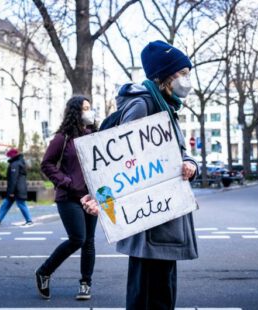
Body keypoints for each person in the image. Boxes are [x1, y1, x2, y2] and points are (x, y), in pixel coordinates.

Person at [81, 40, 198, 310]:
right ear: (164, 77)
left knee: (161, 290)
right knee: (150, 293)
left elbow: (180, 151)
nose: (186, 80)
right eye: (181, 73)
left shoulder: (166, 106)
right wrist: (101, 195)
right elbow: (120, 159)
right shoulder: (144, 105)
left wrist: (190, 163)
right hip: (150, 218)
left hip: (163, 213)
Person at [35, 96, 98, 301]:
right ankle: (44, 272)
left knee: (89, 241)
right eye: (84, 109)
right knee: (78, 238)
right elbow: (47, 164)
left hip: (91, 197)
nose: (89, 112)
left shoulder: (95, 135)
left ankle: (85, 284)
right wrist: (66, 181)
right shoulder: (63, 138)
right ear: (75, 112)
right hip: (69, 197)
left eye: (90, 108)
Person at [0, 148, 33, 227]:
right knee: (6, 204)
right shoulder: (20, 162)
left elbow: (13, 179)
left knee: (21, 204)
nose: (8, 158)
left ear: (12, 156)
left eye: (9, 156)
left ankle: (29, 221)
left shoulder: (14, 165)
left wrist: (11, 192)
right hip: (19, 188)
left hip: (16, 190)